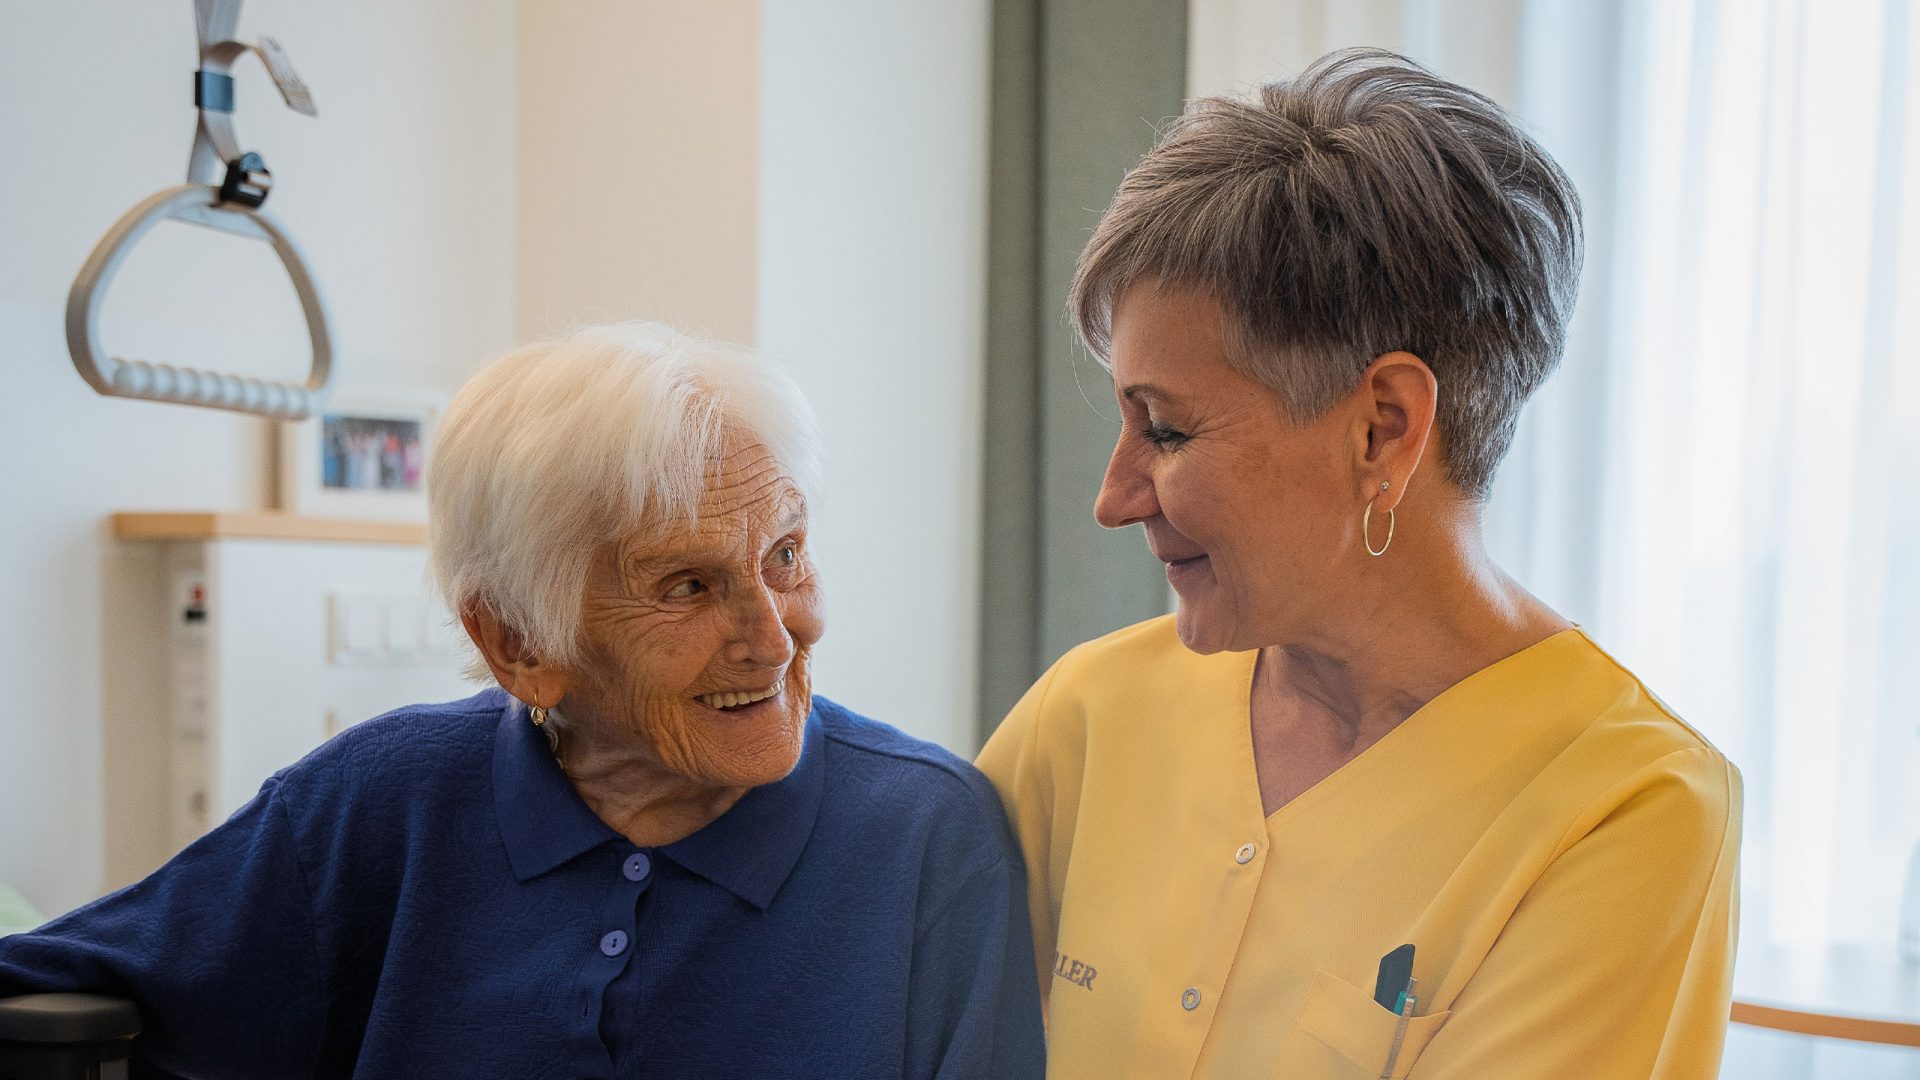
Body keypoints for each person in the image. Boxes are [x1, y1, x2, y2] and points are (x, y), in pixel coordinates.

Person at [1, 323, 1045, 1079]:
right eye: (687, 586)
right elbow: (55, 988)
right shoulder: (384, 802)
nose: (774, 639)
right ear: (517, 645)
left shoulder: (925, 835)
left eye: (784, 556)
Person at [977, 49, 1740, 1080]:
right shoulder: (1087, 716)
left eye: (1166, 429)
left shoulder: (1627, 809)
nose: (1114, 499)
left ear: (1383, 428)